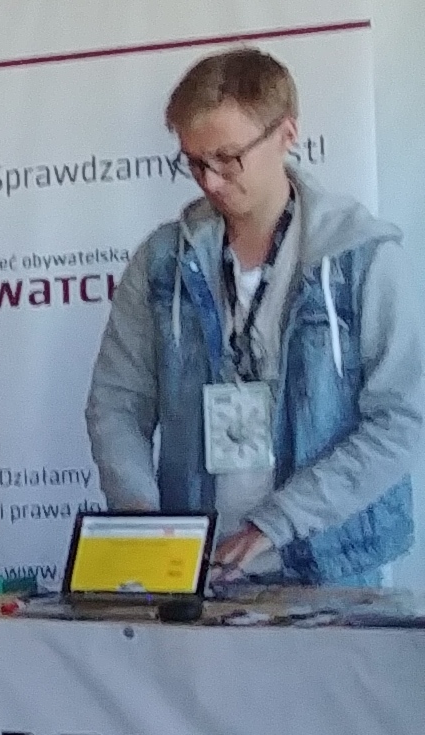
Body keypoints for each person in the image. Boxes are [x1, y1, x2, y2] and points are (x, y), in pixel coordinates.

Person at [85, 45, 419, 584]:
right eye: (195, 162)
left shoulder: (363, 257)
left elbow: (402, 420)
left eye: (227, 157)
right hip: (196, 566)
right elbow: (116, 403)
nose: (211, 181)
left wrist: (276, 524)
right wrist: (146, 523)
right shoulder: (162, 260)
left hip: (330, 567)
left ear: (287, 133)